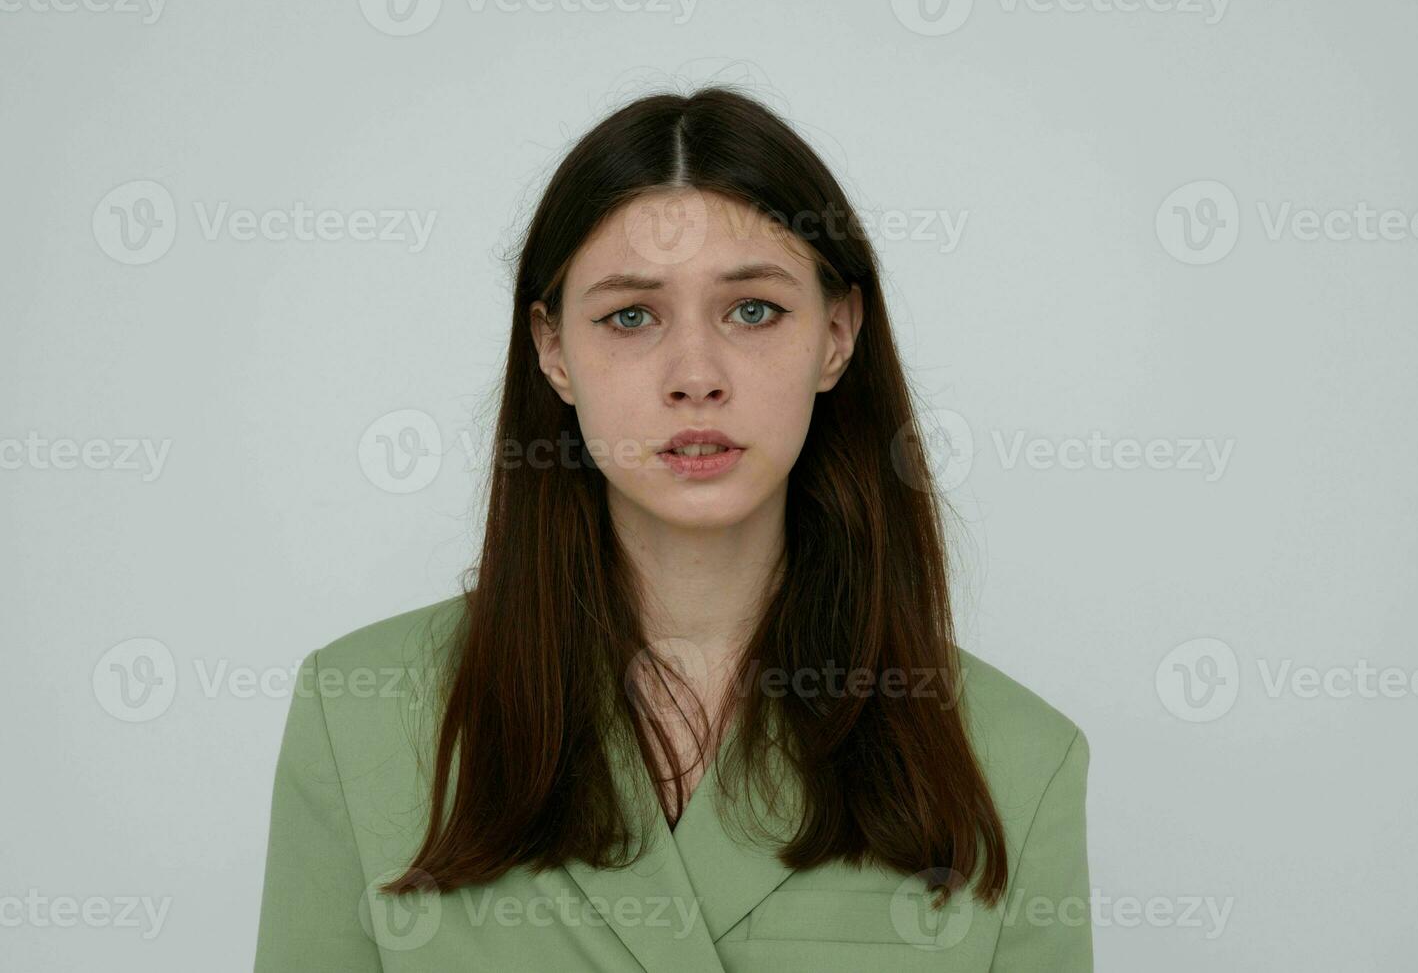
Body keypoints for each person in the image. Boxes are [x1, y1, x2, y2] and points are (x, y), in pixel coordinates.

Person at [253, 85, 1092, 972]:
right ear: (552, 351)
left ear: (838, 335)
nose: (696, 375)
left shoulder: (1015, 762)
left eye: (754, 310)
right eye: (630, 316)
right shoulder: (361, 719)